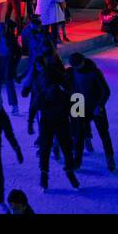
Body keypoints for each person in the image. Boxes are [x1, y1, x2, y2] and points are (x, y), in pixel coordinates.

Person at [68, 52, 115, 173]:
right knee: (78, 135)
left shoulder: (94, 72)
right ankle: (77, 160)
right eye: (74, 66)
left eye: (77, 65)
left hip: (95, 106)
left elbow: (106, 91)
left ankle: (110, 159)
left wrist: (99, 106)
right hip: (78, 104)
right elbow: (70, 86)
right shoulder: (72, 71)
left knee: (103, 133)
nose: (76, 67)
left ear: (83, 61)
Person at [37, 60, 80, 192]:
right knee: (65, 148)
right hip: (59, 121)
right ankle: (67, 170)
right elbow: (74, 105)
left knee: (47, 149)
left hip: (50, 122)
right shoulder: (62, 89)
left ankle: (45, 174)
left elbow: (37, 105)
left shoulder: (48, 90)